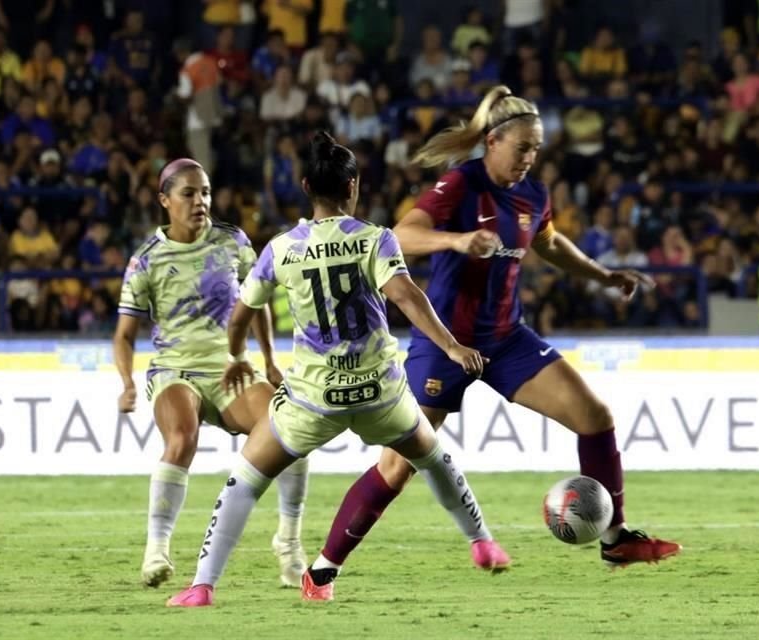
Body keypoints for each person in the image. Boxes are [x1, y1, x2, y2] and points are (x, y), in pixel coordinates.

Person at [319, 85, 682, 571]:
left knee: (595, 416)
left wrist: (602, 275)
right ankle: (324, 567)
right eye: (522, 147)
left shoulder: (533, 194)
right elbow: (401, 235)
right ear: (493, 142)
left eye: (536, 148)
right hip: (446, 343)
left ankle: (615, 538)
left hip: (509, 340)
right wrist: (459, 239)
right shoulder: (460, 185)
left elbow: (549, 245)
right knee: (397, 464)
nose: (530, 157)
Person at [166, 132, 509, 607]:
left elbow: (240, 314)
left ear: (306, 185)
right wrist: (450, 347)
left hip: (312, 400)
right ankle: (482, 541)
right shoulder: (374, 239)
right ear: (354, 186)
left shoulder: (282, 248)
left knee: (245, 479)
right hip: (379, 393)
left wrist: (241, 356)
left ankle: (202, 586)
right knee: (431, 457)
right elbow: (406, 296)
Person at [113, 158, 310, 589]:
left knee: (292, 431)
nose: (200, 201)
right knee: (182, 438)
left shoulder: (233, 242)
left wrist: (270, 361)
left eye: (204, 192)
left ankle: (289, 543)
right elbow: (125, 334)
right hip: (175, 369)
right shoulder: (146, 260)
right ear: (165, 201)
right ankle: (157, 550)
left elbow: (254, 303)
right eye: (188, 193)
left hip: (230, 368)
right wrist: (127, 382)